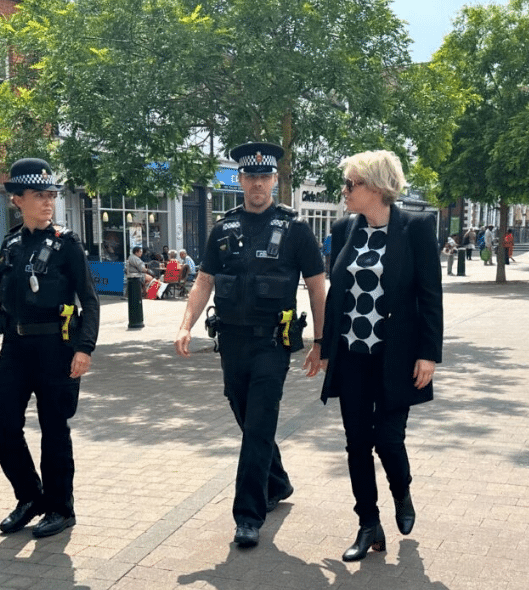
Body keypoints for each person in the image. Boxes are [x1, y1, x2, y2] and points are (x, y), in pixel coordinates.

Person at [174, 141, 326, 549]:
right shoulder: (223, 228)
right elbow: (204, 281)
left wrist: (321, 342)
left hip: (273, 344)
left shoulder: (295, 229)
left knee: (258, 425)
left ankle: (247, 516)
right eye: (250, 176)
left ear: (274, 179)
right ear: (239, 180)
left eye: (265, 176)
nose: (257, 183)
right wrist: (185, 326)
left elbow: (317, 287)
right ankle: (277, 482)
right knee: (246, 417)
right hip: (232, 343)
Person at [318, 150, 443, 562]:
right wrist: (324, 347)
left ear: (375, 186)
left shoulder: (416, 228)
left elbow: (430, 295)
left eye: (350, 184)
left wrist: (428, 354)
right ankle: (368, 523)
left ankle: (401, 492)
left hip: (396, 357)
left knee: (388, 439)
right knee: (357, 444)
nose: (344, 191)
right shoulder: (344, 229)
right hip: (352, 355)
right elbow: (337, 293)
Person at [0, 158, 100, 539]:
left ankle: (61, 507)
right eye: (39, 195)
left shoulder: (66, 244)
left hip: (55, 347)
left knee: (54, 429)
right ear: (18, 199)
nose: (48, 202)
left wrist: (84, 348)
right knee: (3, 421)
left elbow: (89, 300)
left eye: (51, 195)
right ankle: (30, 496)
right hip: (15, 347)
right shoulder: (10, 244)